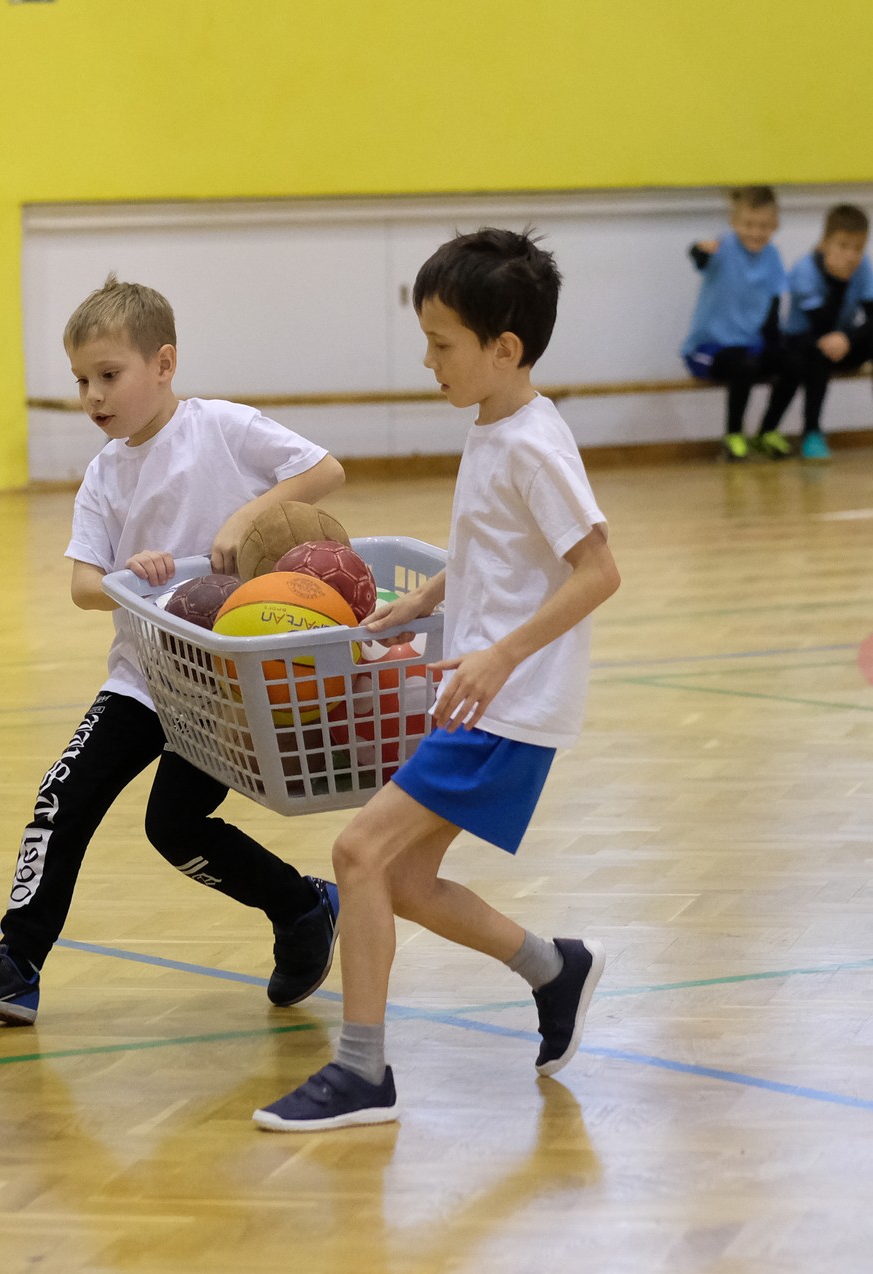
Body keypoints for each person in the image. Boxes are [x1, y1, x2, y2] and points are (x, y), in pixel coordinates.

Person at [255, 229, 620, 1132]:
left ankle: (362, 1071)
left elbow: (597, 572)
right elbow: (502, 552)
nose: (428, 361)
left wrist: (501, 654)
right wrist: (427, 602)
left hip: (507, 706)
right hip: (480, 697)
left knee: (358, 856)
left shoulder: (534, 443)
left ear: (505, 348)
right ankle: (555, 969)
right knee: (405, 881)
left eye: (442, 343)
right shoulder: (492, 425)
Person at [0, 274, 346, 1027]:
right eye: (82, 381)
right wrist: (126, 579)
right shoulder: (104, 476)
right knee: (61, 797)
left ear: (164, 364)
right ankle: (18, 964)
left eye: (109, 375)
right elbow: (83, 585)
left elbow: (325, 470)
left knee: (173, 829)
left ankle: (301, 907)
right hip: (144, 678)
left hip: (225, 686)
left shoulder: (222, 428)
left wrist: (248, 517)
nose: (93, 396)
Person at [781, 204, 873, 461]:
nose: (851, 256)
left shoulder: (863, 266)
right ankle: (812, 432)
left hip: (842, 340)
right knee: (819, 351)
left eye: (858, 248)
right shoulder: (804, 270)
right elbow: (821, 327)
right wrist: (839, 282)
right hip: (803, 343)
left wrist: (848, 338)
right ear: (824, 243)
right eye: (843, 246)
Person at [680, 186, 796, 461]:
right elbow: (699, 255)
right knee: (744, 365)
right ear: (734, 223)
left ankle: (767, 432)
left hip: (750, 347)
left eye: (764, 226)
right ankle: (733, 435)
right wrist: (699, 250)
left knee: (794, 363)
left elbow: (774, 301)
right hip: (709, 350)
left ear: (775, 225)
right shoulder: (723, 247)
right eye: (749, 224)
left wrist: (778, 346)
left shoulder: (772, 255)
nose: (756, 232)